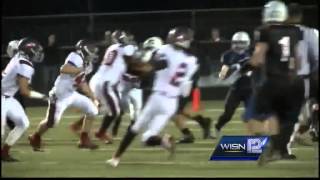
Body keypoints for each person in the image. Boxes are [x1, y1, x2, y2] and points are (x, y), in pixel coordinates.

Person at [106, 26, 199, 167]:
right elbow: (185, 90)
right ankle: (164, 142)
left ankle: (115, 158)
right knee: (147, 137)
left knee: (134, 129)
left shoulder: (165, 50)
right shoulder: (192, 61)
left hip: (158, 97)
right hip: (171, 103)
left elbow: (152, 66)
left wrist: (134, 64)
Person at [245, 0, 304, 166]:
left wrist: (246, 66)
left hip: (272, 81)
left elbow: (258, 57)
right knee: (280, 117)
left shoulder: (264, 31)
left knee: (256, 115)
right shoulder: (294, 31)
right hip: (292, 82)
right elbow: (297, 60)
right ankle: (276, 147)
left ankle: (265, 146)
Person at [28, 39, 99, 151]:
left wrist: (93, 97)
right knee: (52, 122)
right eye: (91, 50)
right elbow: (64, 69)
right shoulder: (76, 56)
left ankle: (84, 139)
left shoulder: (88, 65)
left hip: (71, 94)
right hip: (59, 95)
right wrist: (81, 69)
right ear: (84, 50)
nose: (93, 53)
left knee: (93, 110)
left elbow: (82, 82)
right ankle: (35, 137)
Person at [2, 38, 47, 161]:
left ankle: (4, 152)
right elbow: (24, 91)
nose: (38, 53)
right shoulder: (25, 64)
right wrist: (43, 96)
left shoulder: (18, 57)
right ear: (29, 50)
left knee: (23, 123)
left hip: (7, 97)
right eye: (36, 50)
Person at [285, 3, 319, 150]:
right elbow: (316, 58)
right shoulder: (310, 33)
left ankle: (289, 141)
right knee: (303, 113)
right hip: (303, 79)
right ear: (300, 16)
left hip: (284, 78)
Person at [213, 31, 253, 139]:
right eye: (237, 42)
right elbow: (223, 73)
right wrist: (225, 72)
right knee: (228, 114)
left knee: (251, 114)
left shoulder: (252, 54)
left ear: (247, 43)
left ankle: (251, 136)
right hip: (236, 89)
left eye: (242, 42)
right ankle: (217, 127)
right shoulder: (228, 55)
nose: (239, 45)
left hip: (251, 88)